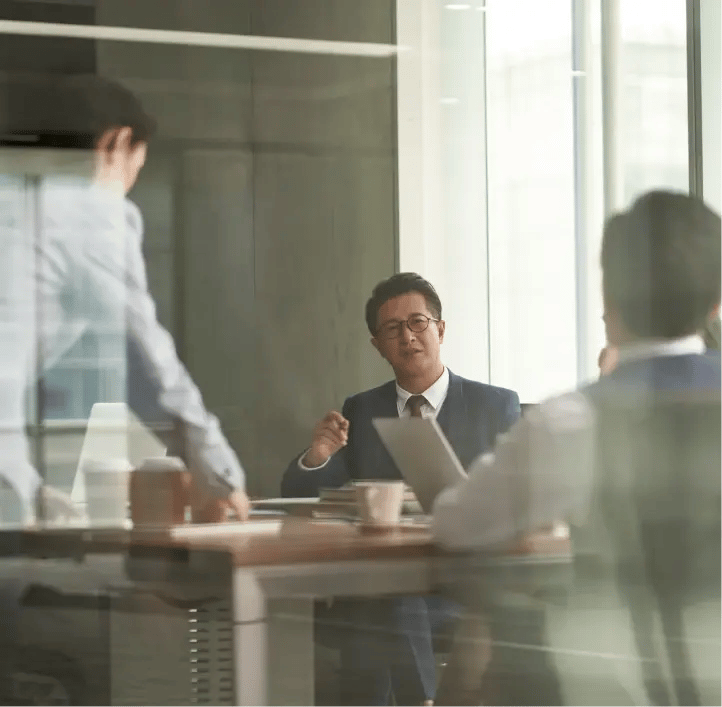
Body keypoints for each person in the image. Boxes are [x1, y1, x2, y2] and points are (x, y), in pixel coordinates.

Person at [433, 190, 722, 706]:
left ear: (609, 296)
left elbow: (458, 524)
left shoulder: (570, 421)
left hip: (618, 687)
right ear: (717, 301)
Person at [0, 75, 251, 524]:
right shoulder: (87, 210)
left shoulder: (14, 197)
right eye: (137, 165)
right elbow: (149, 362)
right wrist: (221, 477)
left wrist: (34, 491)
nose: (132, 183)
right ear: (116, 143)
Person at [281, 272, 520, 706]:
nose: (407, 336)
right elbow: (308, 495)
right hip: (376, 580)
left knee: (378, 617)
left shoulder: (494, 405)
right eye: (392, 329)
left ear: (440, 329)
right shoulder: (362, 409)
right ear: (377, 344)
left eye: (418, 323)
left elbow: (516, 498)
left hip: (458, 584)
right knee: (384, 598)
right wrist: (318, 454)